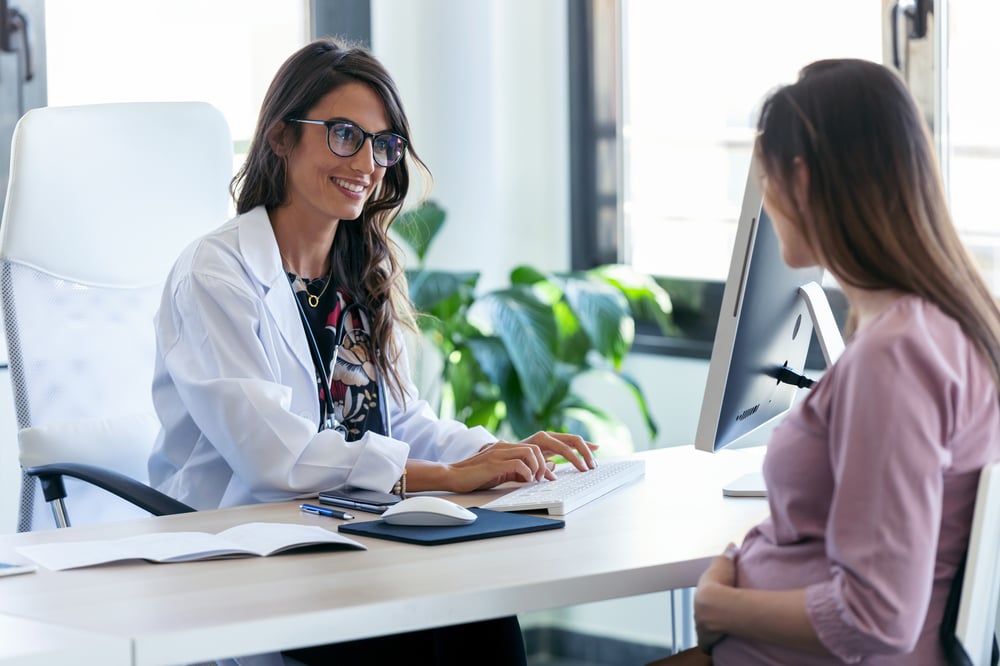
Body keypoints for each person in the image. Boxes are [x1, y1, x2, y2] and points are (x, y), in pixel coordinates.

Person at [148, 38, 597, 666]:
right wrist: (445, 479)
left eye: (381, 144)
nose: (366, 161)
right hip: (252, 551)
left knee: (481, 612)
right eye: (342, 135)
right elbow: (274, 458)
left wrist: (494, 454)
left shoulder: (365, 269)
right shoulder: (215, 275)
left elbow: (400, 422)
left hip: (357, 540)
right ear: (280, 138)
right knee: (427, 631)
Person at [651, 59, 1000, 665]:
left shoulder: (895, 358)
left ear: (804, 182)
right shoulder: (948, 324)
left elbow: (876, 617)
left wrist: (718, 606)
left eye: (766, 177)